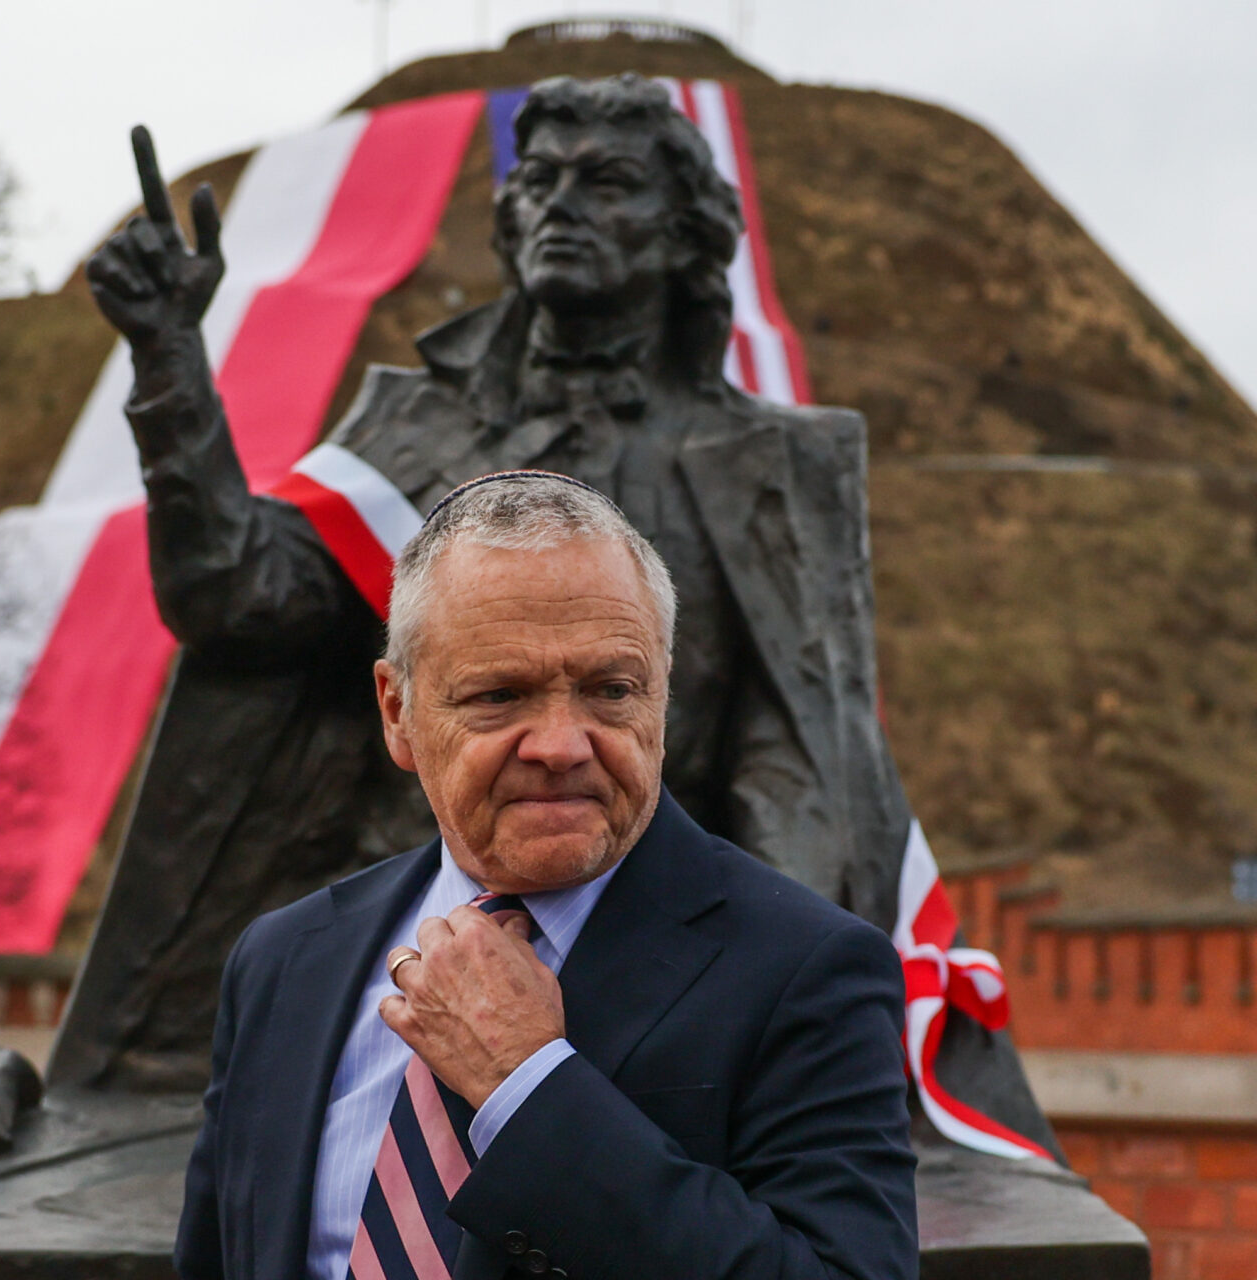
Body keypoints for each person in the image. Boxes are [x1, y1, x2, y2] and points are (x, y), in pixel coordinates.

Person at [53, 72, 1053, 1168]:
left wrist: (765, 1016)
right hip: (408, 957)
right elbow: (235, 598)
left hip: (666, 967)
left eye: (607, 182)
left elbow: (801, 773)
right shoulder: (414, 423)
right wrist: (168, 360)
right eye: (541, 179)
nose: (560, 204)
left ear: (684, 237)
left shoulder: (778, 463)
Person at [173, 472, 917, 1280]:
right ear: (397, 712)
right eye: (500, 695)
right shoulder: (286, 960)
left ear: (662, 697)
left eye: (610, 690)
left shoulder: (807, 970)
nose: (562, 744)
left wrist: (527, 1089)